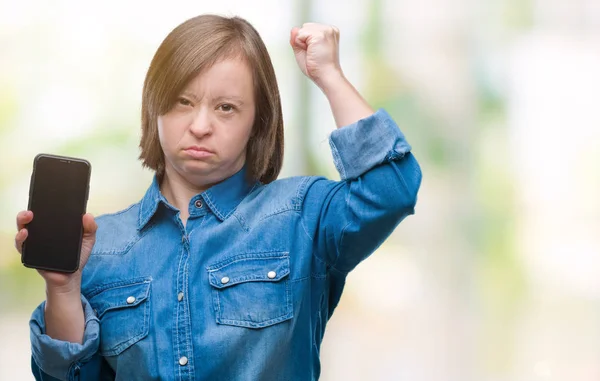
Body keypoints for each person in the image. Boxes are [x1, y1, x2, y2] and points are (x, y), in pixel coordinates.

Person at [14, 14, 422, 381]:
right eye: (182, 102)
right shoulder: (98, 247)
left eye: (226, 108)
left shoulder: (301, 215)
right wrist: (63, 289)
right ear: (154, 106)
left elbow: (391, 189)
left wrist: (329, 75)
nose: (201, 125)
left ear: (257, 122)